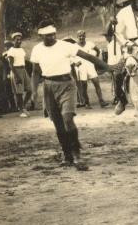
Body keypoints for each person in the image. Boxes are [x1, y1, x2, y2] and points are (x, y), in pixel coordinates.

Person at [30, 23, 111, 170]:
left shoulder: (65, 46)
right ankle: (66, 155)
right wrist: (34, 91)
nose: (52, 37)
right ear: (41, 36)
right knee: (58, 123)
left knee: (68, 118)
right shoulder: (37, 50)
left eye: (54, 34)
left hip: (67, 84)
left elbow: (87, 56)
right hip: (48, 87)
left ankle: (77, 155)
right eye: (48, 35)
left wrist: (108, 67)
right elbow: (35, 72)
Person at [75, 30, 107, 108]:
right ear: (77, 37)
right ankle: (87, 103)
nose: (81, 37)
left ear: (85, 36)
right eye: (80, 36)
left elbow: (97, 50)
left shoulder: (90, 44)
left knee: (96, 82)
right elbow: (70, 56)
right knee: (84, 85)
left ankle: (101, 101)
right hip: (81, 67)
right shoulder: (74, 46)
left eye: (83, 36)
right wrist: (75, 62)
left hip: (90, 65)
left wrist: (95, 58)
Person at [3, 31, 31, 116]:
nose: (19, 41)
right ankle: (22, 110)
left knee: (30, 90)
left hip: (23, 70)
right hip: (16, 70)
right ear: (13, 41)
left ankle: (22, 106)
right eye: (17, 40)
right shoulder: (11, 51)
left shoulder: (21, 50)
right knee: (19, 92)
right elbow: (10, 65)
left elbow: (23, 61)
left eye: (20, 40)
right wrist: (17, 75)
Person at [103, 27, 123, 102]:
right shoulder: (109, 45)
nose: (106, 38)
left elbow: (118, 56)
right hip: (111, 65)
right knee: (114, 82)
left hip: (116, 65)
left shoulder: (116, 44)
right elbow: (110, 57)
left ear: (111, 36)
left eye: (107, 36)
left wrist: (117, 66)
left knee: (117, 82)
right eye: (106, 36)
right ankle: (116, 96)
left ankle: (118, 97)